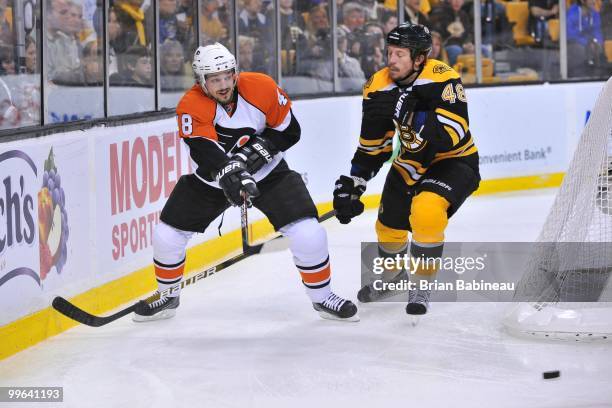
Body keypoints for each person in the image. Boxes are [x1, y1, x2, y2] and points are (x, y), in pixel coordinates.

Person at [133, 43, 358, 322]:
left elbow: (290, 131)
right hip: (210, 181)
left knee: (310, 233)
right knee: (166, 236)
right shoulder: (191, 105)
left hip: (270, 174)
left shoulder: (261, 87)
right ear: (201, 81)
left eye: (228, 75)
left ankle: (323, 298)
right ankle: (167, 296)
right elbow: (205, 152)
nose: (224, 84)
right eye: (215, 79)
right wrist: (232, 172)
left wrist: (254, 155)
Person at [332, 23, 480, 316]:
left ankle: (422, 283)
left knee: (426, 210)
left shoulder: (443, 79)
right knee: (388, 227)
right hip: (411, 163)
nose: (392, 60)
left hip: (453, 161)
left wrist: (414, 113)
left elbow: (454, 132)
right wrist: (356, 180)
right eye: (389, 52)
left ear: (420, 58)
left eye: (400, 54)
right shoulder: (378, 85)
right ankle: (393, 279)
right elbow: (375, 145)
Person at [567, 0, 604, 77]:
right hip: (575, 44)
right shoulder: (572, 13)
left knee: (600, 49)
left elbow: (597, 31)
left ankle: (597, 75)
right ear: (582, 1)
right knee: (580, 50)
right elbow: (570, 34)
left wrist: (597, 42)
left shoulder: (595, 13)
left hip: (590, 43)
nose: (594, 1)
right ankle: (580, 76)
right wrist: (587, 43)